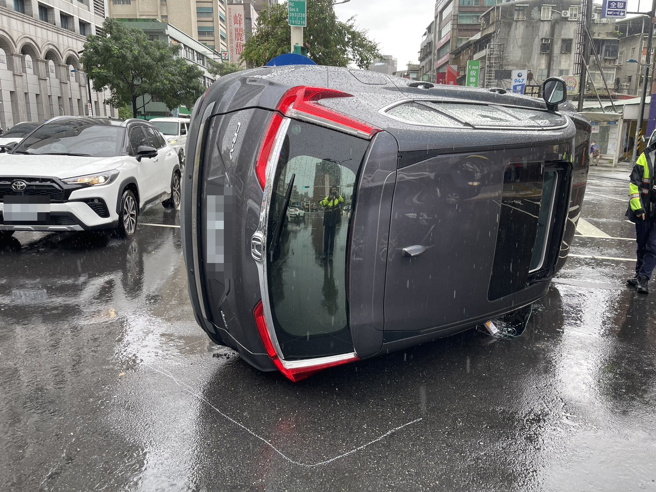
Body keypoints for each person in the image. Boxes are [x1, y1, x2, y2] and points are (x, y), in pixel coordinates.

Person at [627, 142, 656, 293]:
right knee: (642, 244)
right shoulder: (645, 156)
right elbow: (634, 184)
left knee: (653, 246)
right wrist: (638, 208)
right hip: (644, 208)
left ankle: (644, 278)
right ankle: (638, 275)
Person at [319, 186, 344, 261]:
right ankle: (325, 254)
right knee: (326, 238)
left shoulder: (338, 198)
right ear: (330, 190)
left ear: (336, 191)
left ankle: (330, 254)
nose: (334, 191)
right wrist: (329, 198)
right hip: (327, 218)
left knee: (332, 238)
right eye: (333, 190)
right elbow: (322, 203)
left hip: (334, 218)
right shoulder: (327, 197)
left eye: (335, 190)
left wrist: (338, 195)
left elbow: (342, 201)